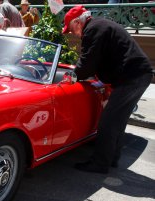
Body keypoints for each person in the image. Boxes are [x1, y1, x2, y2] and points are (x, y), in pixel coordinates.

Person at [62, 5, 153, 174]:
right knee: (118, 121)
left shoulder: (93, 29)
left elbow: (87, 63)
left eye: (71, 29)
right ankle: (112, 158)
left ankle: (100, 163)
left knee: (108, 121)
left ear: (78, 22)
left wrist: (73, 76)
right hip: (138, 74)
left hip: (132, 76)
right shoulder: (99, 25)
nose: (71, 33)